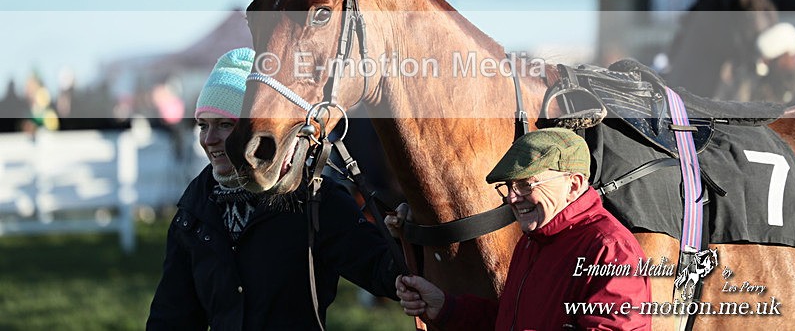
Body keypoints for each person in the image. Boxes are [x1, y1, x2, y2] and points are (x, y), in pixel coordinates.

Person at [146, 47, 401, 330]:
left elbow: (386, 273)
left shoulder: (314, 199)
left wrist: (409, 232)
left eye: (224, 125)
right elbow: (172, 317)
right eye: (203, 126)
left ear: (256, 129)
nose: (209, 139)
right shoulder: (195, 209)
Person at [387, 127, 652, 331]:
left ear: (573, 184)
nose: (512, 198)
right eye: (509, 187)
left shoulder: (610, 250)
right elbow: (509, 321)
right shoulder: (532, 241)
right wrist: (446, 307)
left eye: (526, 184)